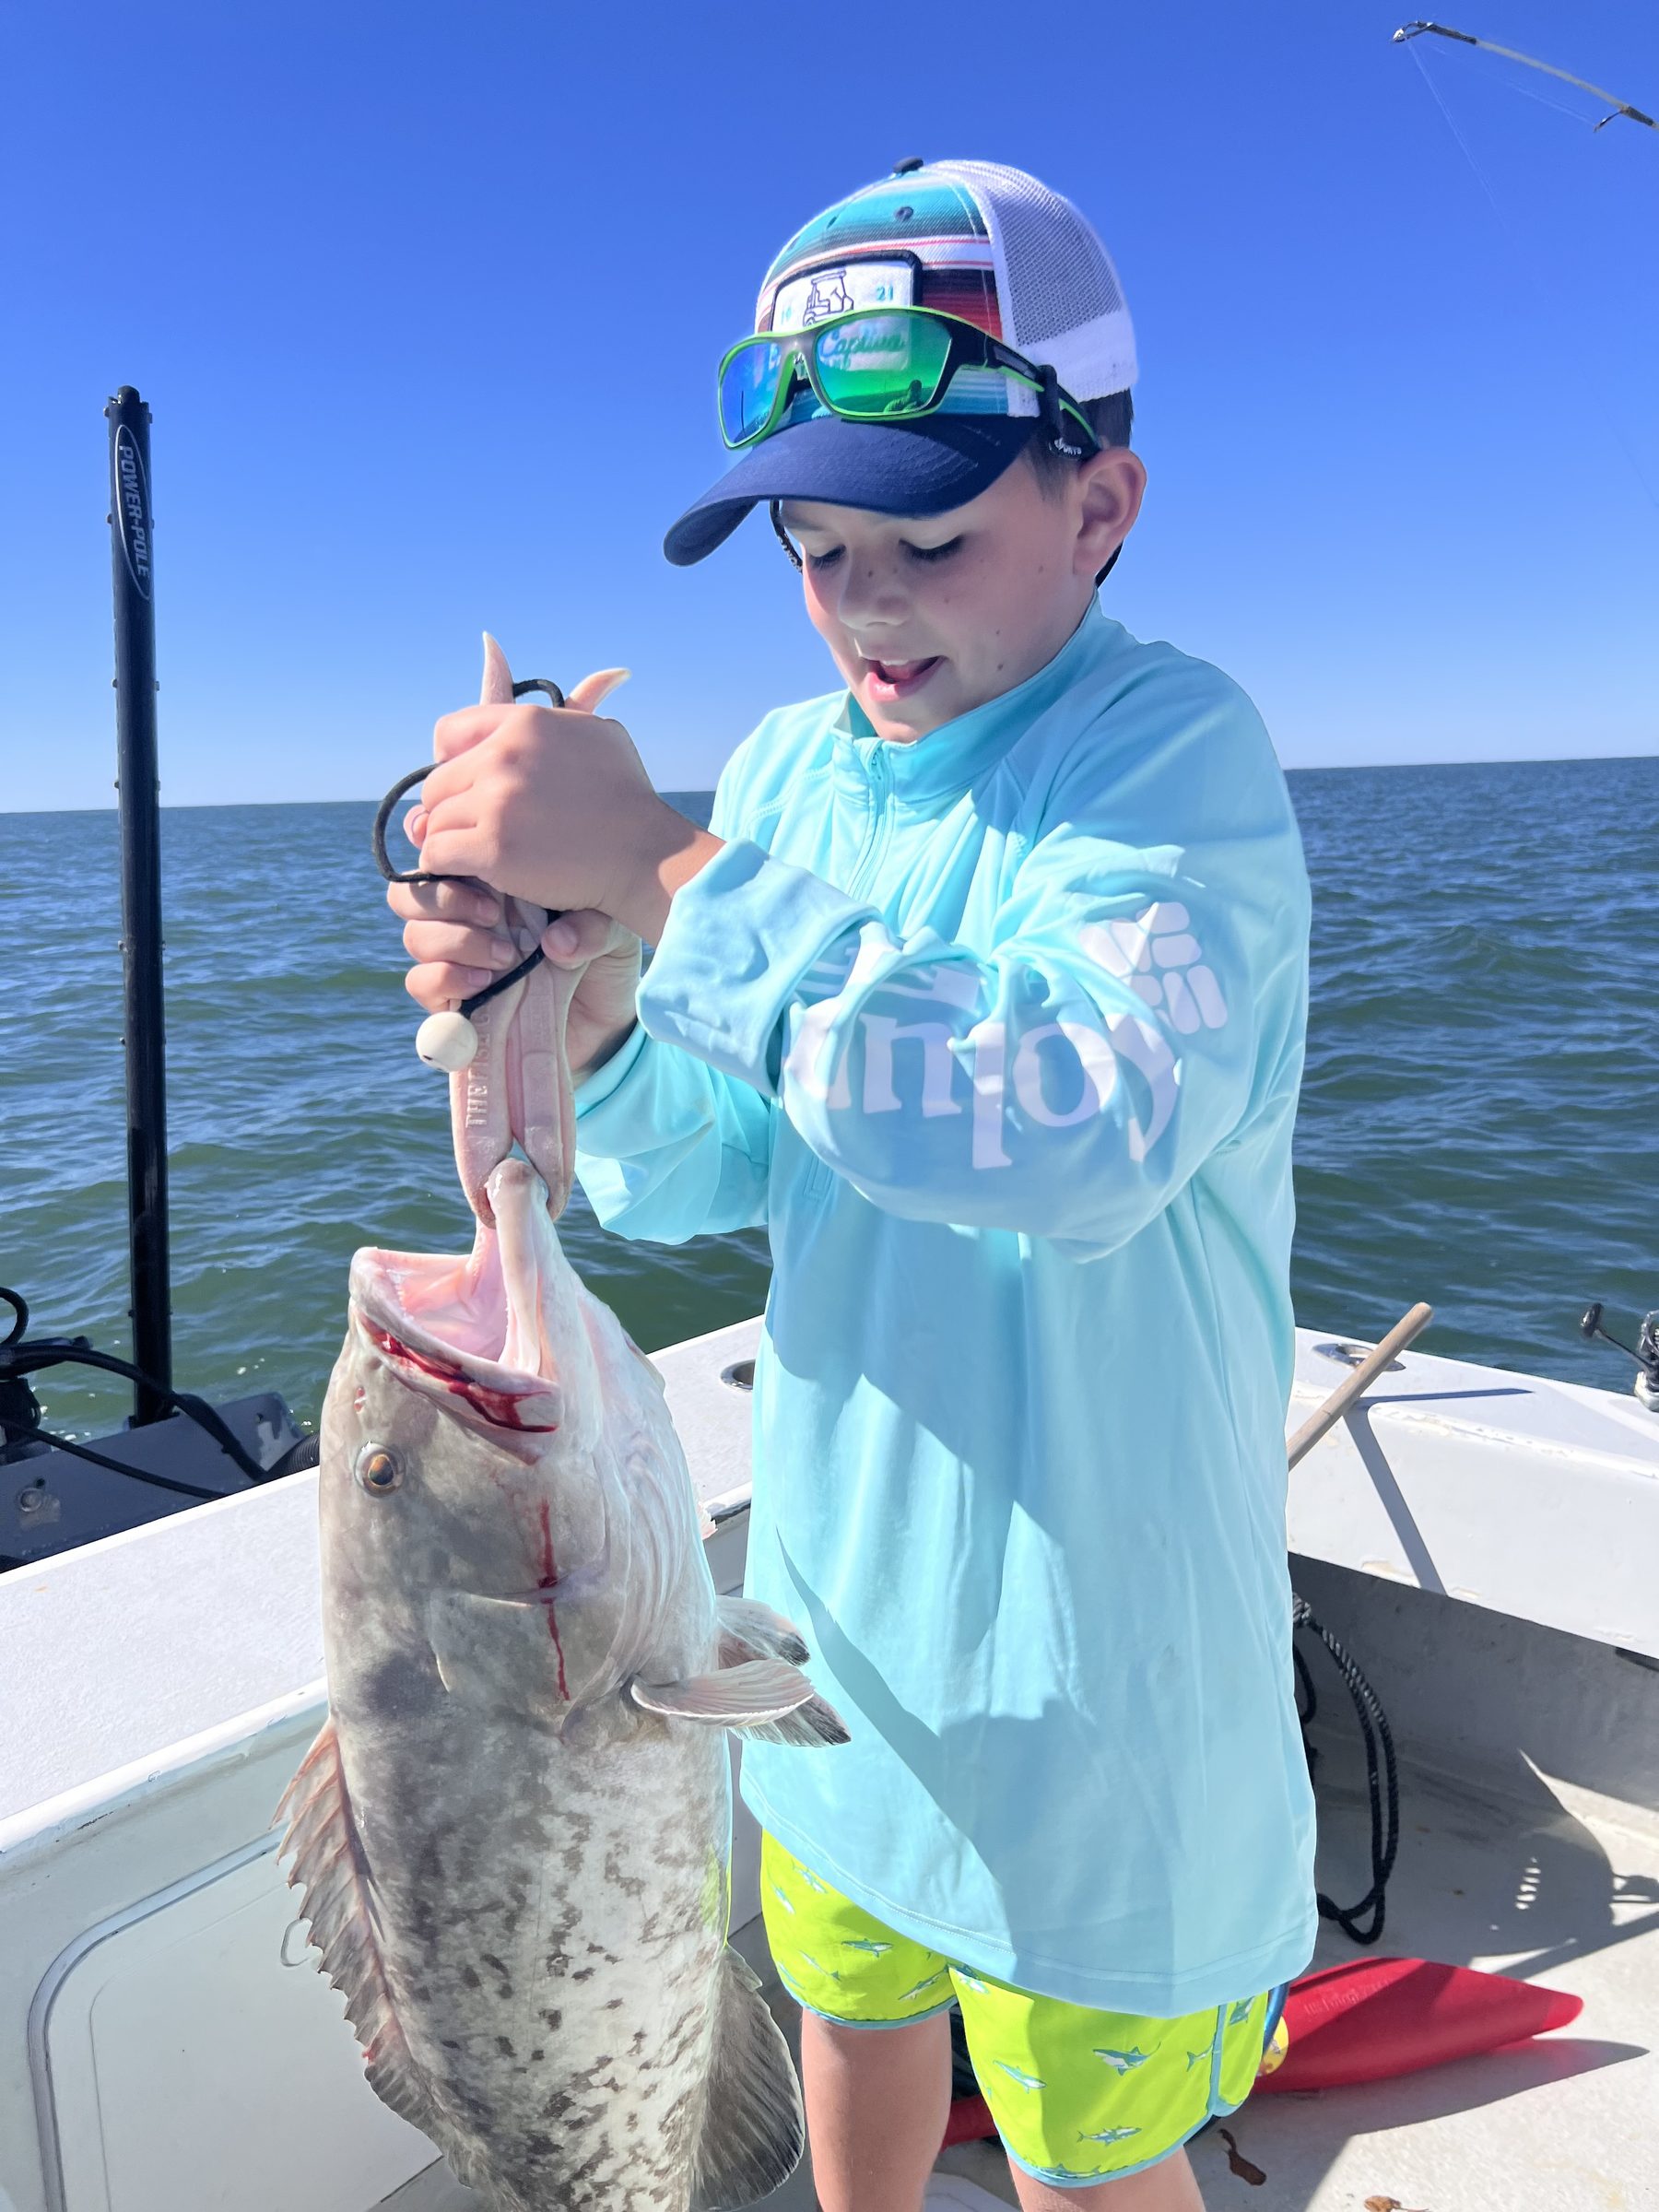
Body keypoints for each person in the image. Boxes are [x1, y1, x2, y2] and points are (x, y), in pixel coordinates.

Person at [392, 159, 1315, 2212]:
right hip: (824, 1657)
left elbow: (1070, 1123)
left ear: (1101, 506)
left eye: (930, 537)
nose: (868, 600)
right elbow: (707, 1161)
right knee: (848, 2026)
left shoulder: (1171, 762)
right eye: (816, 551)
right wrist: (600, 1005)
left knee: (1096, 2155)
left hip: (1104, 1714)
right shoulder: (803, 774)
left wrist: (660, 874)